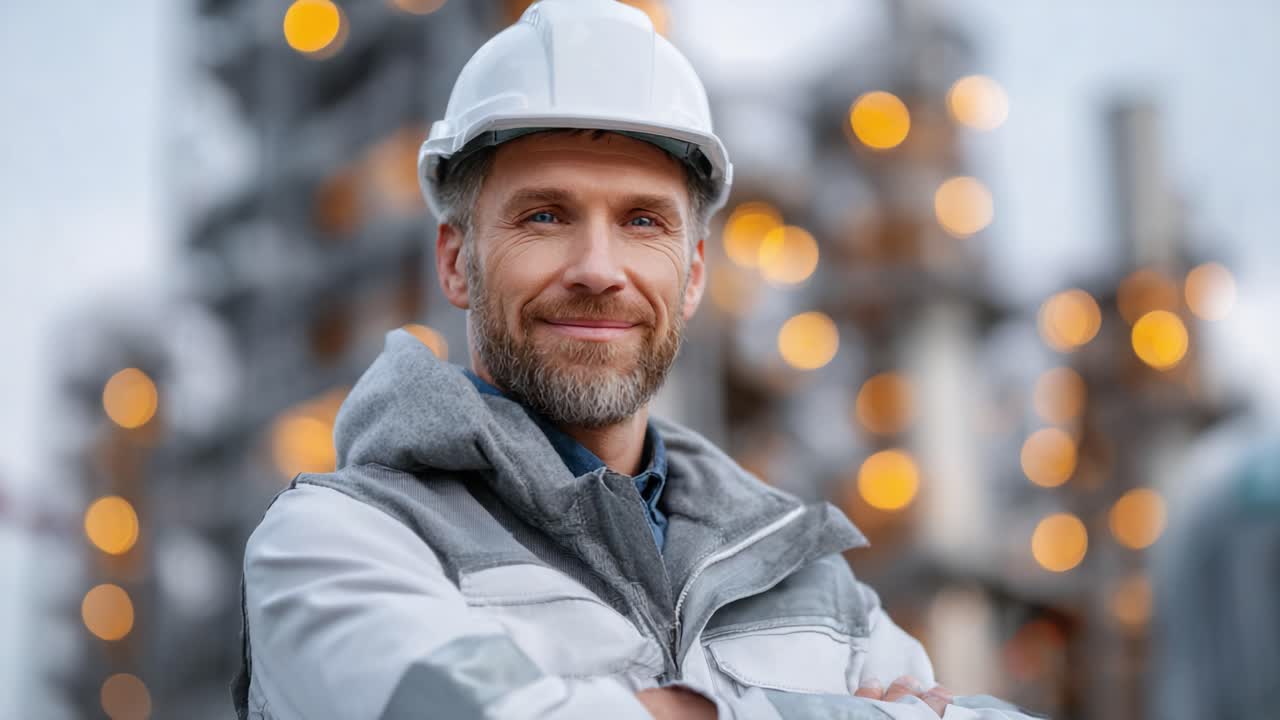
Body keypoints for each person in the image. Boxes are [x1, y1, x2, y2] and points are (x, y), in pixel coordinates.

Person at [232, 1, 1046, 718]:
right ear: (455, 260)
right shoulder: (336, 544)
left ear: (693, 276)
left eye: (644, 222)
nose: (598, 267)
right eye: (545, 215)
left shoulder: (813, 586)